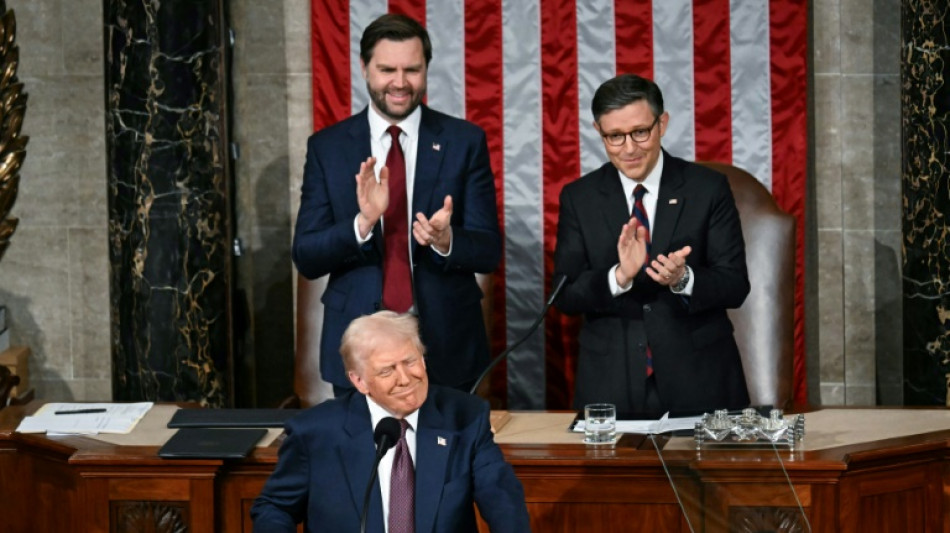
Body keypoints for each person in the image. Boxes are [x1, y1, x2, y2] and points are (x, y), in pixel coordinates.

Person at [292, 14, 500, 396]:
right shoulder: (328, 148)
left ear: (426, 70)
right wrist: (362, 223)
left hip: (445, 346)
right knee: (362, 457)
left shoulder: (463, 141)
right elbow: (306, 256)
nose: (400, 83)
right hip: (358, 351)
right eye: (387, 69)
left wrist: (446, 240)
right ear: (364, 68)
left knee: (448, 456)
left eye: (412, 70)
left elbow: (488, 251)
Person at [553, 74, 750, 416]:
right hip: (610, 386)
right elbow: (566, 295)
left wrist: (683, 279)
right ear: (599, 132)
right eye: (615, 137)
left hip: (700, 381)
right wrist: (619, 276)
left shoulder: (707, 189)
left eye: (640, 132)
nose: (629, 148)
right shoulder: (579, 197)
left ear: (662, 124)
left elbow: (735, 284)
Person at [251, 311, 531, 532]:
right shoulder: (314, 432)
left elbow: (501, 496)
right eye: (387, 371)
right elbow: (275, 507)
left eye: (411, 361)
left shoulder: (465, 417)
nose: (406, 379)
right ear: (359, 381)